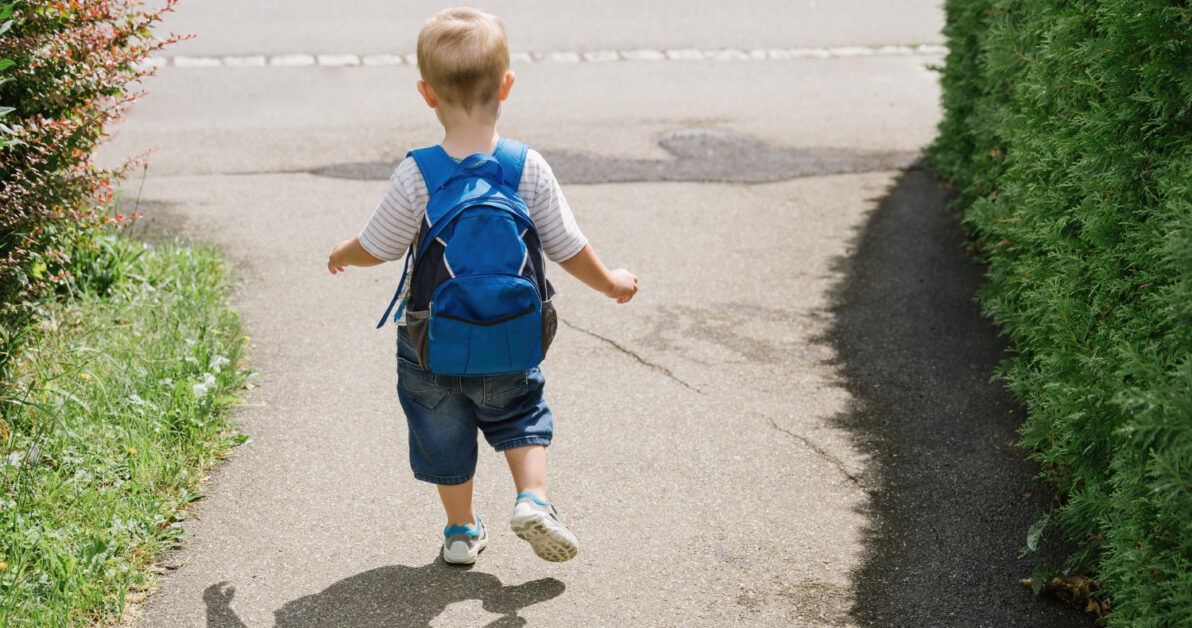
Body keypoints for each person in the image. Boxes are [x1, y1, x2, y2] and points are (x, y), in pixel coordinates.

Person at [326, 7, 637, 565]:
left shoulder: (418, 172)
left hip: (431, 344)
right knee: (521, 414)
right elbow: (567, 246)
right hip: (510, 338)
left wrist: (341, 253)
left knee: (442, 433)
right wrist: (611, 281)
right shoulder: (527, 167)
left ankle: (462, 532)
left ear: (426, 93)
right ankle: (534, 500)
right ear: (507, 86)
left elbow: (380, 245)